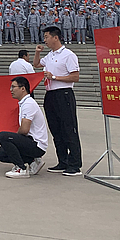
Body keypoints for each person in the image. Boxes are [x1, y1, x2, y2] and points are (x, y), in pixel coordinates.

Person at [34, 26, 82, 176]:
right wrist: (37, 52)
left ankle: (75, 164)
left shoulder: (68, 55)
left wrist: (54, 77)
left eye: (47, 37)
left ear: (56, 37)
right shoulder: (49, 55)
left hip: (64, 94)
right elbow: (36, 64)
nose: (45, 40)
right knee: (56, 130)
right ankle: (63, 161)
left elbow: (75, 76)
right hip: (50, 94)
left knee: (69, 129)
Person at [0, 76, 49, 178]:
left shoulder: (28, 104)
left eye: (13, 87)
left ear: (23, 88)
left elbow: (24, 130)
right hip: (31, 141)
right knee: (0, 153)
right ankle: (33, 161)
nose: (11, 90)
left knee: (4, 136)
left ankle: (21, 169)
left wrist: (14, 138)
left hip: (37, 144)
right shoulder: (24, 103)